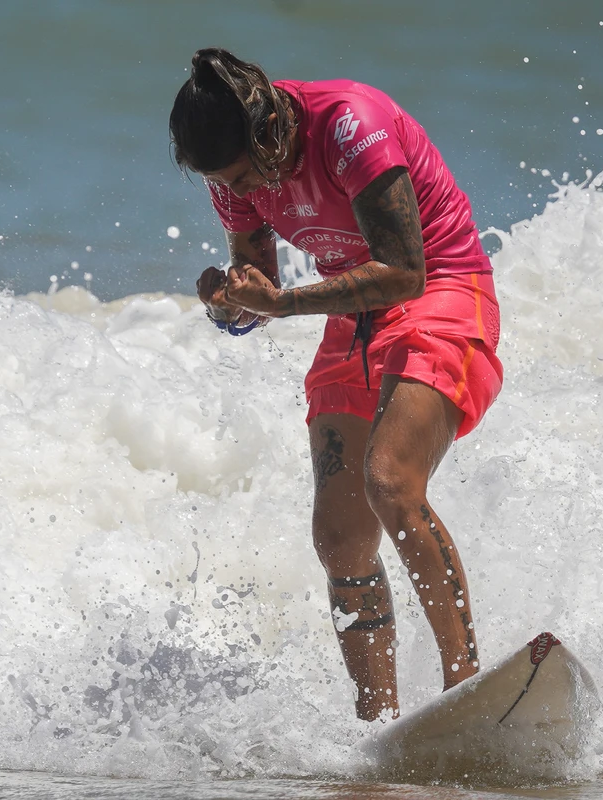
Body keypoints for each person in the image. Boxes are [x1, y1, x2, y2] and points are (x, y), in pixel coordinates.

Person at [169, 48, 503, 721]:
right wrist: (232, 303)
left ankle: (466, 689)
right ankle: (377, 724)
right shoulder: (230, 171)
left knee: (389, 483)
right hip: (353, 314)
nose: (233, 193)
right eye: (219, 182)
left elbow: (405, 272)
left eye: (236, 177)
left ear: (266, 134)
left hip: (442, 291)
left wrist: (285, 304)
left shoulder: (350, 124)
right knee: (339, 537)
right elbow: (257, 283)